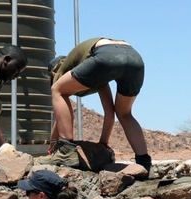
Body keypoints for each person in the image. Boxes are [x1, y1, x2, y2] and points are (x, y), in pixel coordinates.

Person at [46, 38, 149, 174]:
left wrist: (54, 145)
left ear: (53, 72)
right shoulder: (94, 73)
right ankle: (145, 164)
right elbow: (109, 112)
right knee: (124, 114)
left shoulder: (61, 69)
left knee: (57, 90)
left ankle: (66, 152)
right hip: (134, 58)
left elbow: (60, 113)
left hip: (105, 54)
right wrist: (103, 142)